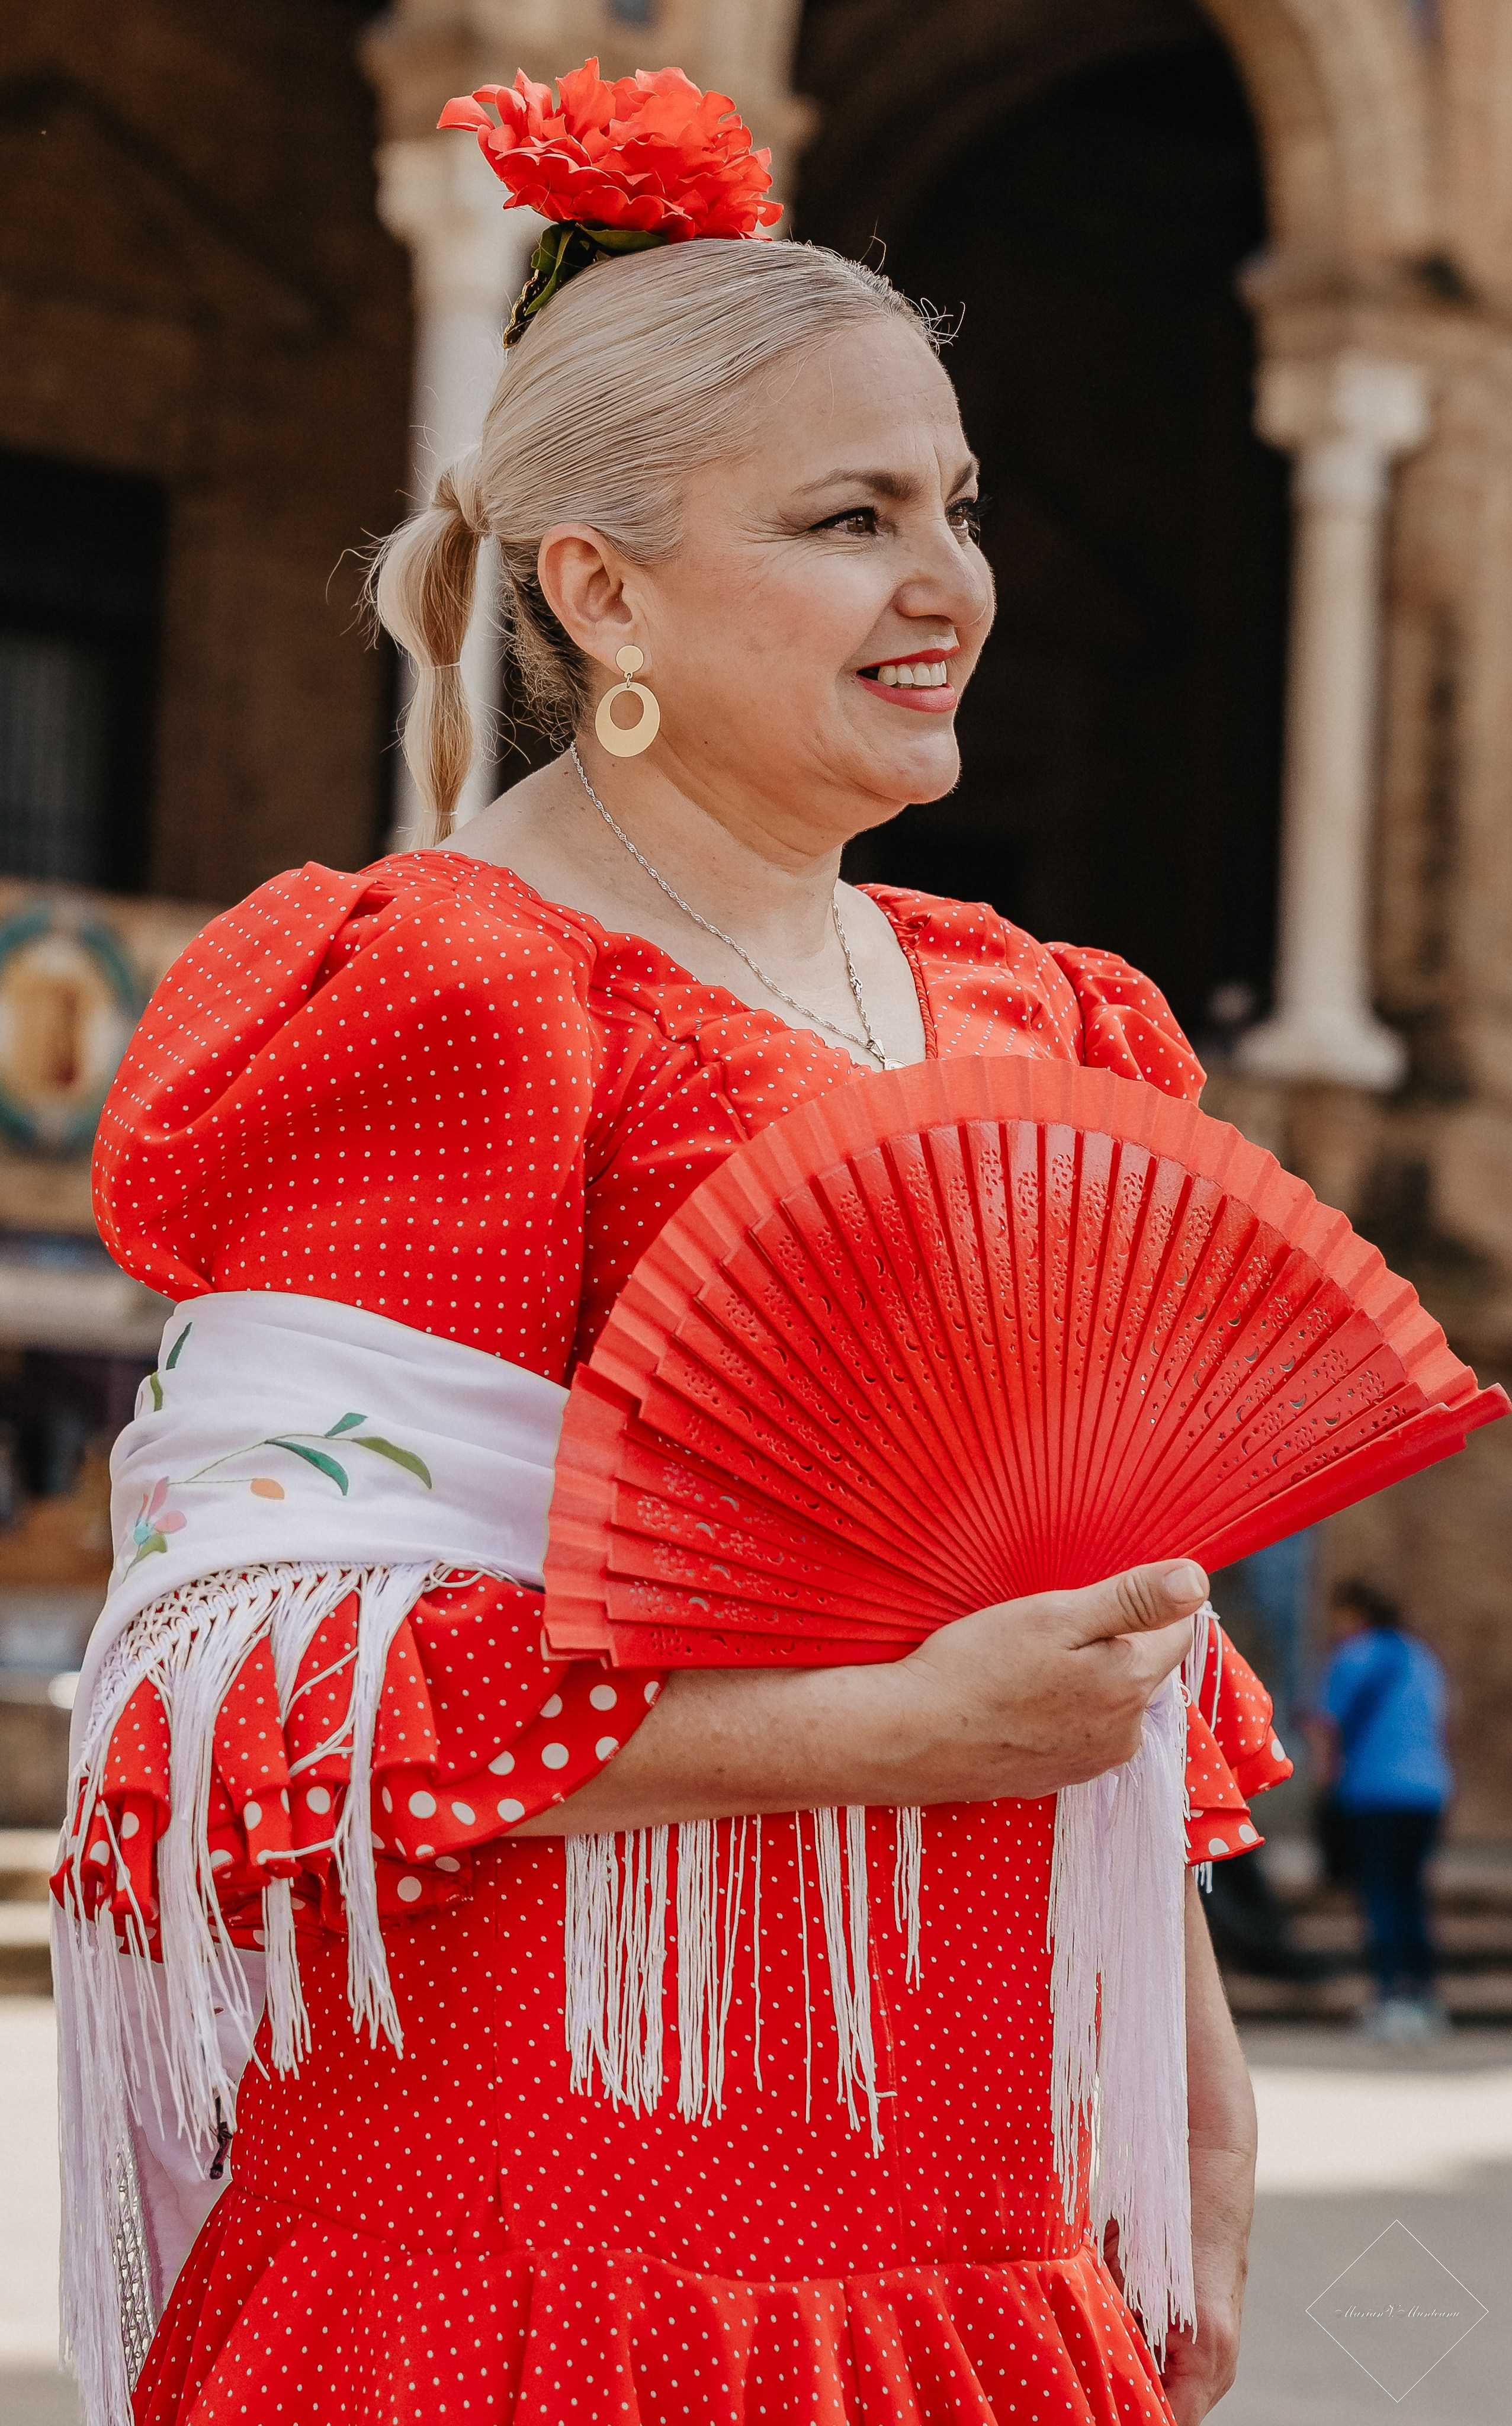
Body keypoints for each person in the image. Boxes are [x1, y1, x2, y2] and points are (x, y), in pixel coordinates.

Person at [52, 61, 1291, 2426]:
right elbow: (249, 1694)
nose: (948, 584)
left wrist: (1192, 2092)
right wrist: (905, 1726)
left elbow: (1104, 1656)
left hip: (979, 2237)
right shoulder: (457, 992)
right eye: (847, 517)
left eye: (953, 502)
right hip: (548, 2261)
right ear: (596, 584)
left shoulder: (1022, 1011)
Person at [1316, 1577, 1453, 2040]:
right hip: (1428, 1791)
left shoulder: (1352, 1656)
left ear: (1354, 1612)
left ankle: (1389, 1997)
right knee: (1412, 1893)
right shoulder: (1421, 1656)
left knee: (1379, 1895)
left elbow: (1327, 1730)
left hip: (1373, 1791)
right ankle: (1425, 1997)